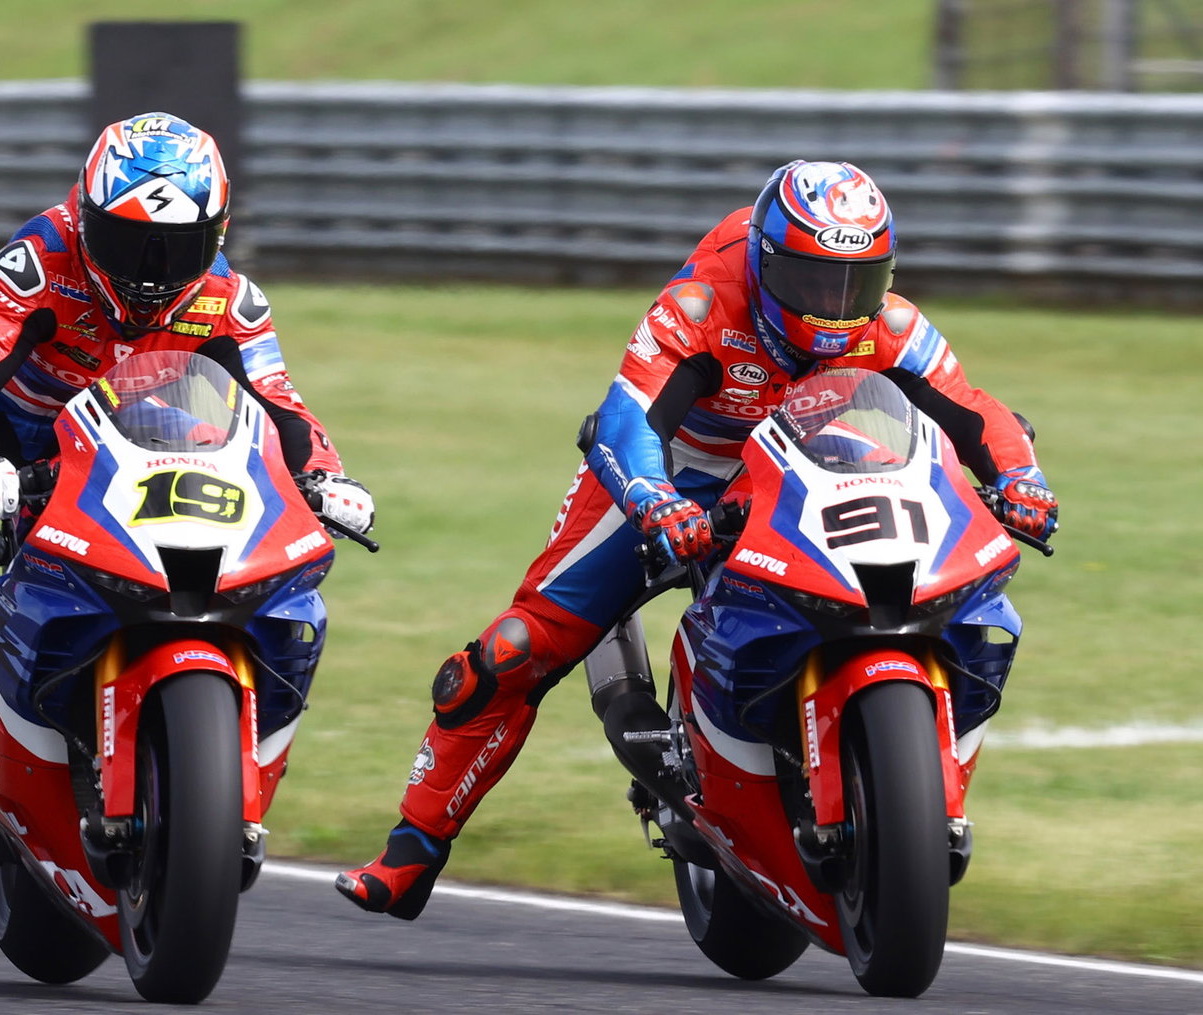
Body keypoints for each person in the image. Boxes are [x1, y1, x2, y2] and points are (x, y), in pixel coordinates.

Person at [334, 159, 1058, 920]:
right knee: (517, 649)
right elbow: (627, 417)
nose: (835, 307)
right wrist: (652, 498)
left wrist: (1022, 479)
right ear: (766, 264)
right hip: (685, 467)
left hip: (819, 460)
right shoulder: (702, 304)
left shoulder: (892, 325)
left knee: (955, 588)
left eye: (857, 284)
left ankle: (911, 772)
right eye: (813, 282)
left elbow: (974, 410)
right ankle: (412, 851)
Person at [0, 113, 375, 797]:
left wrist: (326, 476)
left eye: (177, 250)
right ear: (85, 216)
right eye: (126, 242)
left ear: (218, 237)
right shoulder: (39, 258)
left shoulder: (232, 299)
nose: (148, 275)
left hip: (136, 434)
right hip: (3, 429)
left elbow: (280, 402)